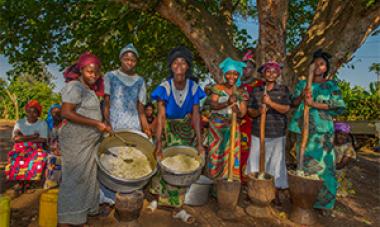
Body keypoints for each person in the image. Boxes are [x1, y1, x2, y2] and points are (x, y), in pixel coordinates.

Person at [150, 46, 206, 223]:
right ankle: (158, 199)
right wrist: (158, 142)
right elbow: (160, 116)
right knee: (163, 165)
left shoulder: (194, 87)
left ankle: (177, 208)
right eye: (175, 62)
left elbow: (196, 116)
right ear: (171, 66)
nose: (179, 65)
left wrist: (199, 141)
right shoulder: (164, 88)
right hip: (167, 129)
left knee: (182, 168)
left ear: (188, 66)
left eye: (183, 62)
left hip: (185, 131)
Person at [289, 49, 346, 215]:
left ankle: (324, 204)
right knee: (303, 166)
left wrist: (313, 104)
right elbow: (294, 103)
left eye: (322, 64)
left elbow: (338, 106)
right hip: (304, 132)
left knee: (324, 167)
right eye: (316, 63)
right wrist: (302, 96)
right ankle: (303, 201)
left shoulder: (331, 86)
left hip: (322, 133)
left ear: (326, 68)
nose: (318, 67)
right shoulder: (302, 84)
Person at [58, 52, 111, 226]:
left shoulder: (90, 90)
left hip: (88, 143)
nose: (93, 75)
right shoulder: (75, 86)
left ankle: (82, 215)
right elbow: (66, 112)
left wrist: (102, 126)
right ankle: (66, 219)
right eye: (89, 71)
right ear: (81, 70)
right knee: (74, 178)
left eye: (96, 72)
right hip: (75, 142)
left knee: (88, 178)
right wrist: (96, 123)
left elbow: (88, 113)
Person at [246, 61, 290, 205]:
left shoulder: (283, 90)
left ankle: (274, 193)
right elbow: (250, 112)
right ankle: (253, 191)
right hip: (258, 133)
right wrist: (259, 111)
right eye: (268, 71)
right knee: (255, 163)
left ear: (278, 74)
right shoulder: (256, 91)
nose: (271, 74)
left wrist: (270, 103)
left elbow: (286, 109)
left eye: (274, 72)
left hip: (277, 133)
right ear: (263, 74)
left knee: (276, 164)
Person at [205, 57, 248, 181]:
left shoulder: (241, 91)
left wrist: (237, 111)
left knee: (231, 155)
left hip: (232, 127)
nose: (232, 76)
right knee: (216, 154)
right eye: (229, 73)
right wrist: (227, 103)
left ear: (238, 75)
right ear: (225, 74)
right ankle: (215, 184)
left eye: (235, 74)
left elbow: (243, 112)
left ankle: (230, 182)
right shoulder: (218, 88)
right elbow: (213, 105)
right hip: (217, 128)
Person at [103, 43, 150, 136]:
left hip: (134, 127)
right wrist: (107, 123)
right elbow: (106, 105)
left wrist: (146, 129)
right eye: (126, 59)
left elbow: (141, 110)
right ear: (120, 59)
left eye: (133, 60)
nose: (129, 62)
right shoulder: (110, 76)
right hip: (114, 126)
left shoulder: (140, 81)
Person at [5, 100, 48, 192]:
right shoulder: (20, 122)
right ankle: (20, 182)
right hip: (19, 147)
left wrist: (23, 137)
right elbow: (15, 139)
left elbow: (43, 139)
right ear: (26, 112)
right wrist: (32, 136)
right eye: (29, 111)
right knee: (15, 156)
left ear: (38, 113)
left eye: (35, 112)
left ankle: (29, 182)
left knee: (38, 157)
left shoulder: (42, 123)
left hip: (36, 148)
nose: (31, 114)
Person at [239, 49, 264, 183]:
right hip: (238, 121)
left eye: (248, 67)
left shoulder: (258, 84)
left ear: (254, 69)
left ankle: (247, 180)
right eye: (243, 67)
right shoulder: (238, 84)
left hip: (252, 122)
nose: (245, 70)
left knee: (249, 151)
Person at [334, 122, 356, 197]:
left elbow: (341, 165)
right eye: (340, 134)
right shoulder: (329, 144)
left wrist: (327, 168)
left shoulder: (348, 148)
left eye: (345, 135)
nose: (342, 137)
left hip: (337, 171)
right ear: (334, 134)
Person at [44, 104, 63, 189]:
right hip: (53, 150)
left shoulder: (66, 124)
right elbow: (48, 141)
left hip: (66, 150)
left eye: (58, 112)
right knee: (52, 159)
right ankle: (52, 182)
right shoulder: (48, 124)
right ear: (51, 114)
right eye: (54, 113)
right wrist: (53, 149)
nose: (56, 114)